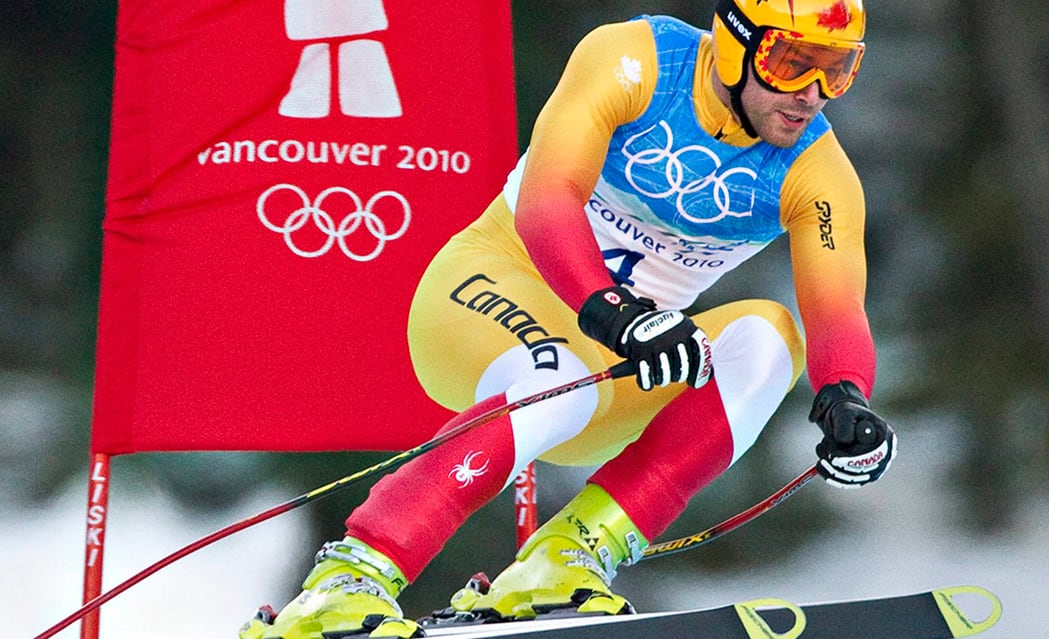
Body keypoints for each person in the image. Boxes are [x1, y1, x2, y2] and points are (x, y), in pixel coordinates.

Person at [240, 0, 897, 636]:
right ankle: (352, 573)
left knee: (770, 337)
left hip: (613, 371)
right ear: (733, 41)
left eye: (835, 69)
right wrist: (616, 312)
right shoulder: (636, 61)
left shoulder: (816, 170)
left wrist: (846, 398)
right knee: (555, 369)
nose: (810, 92)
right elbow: (546, 201)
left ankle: (567, 554)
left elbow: (835, 306)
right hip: (483, 299)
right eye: (789, 62)